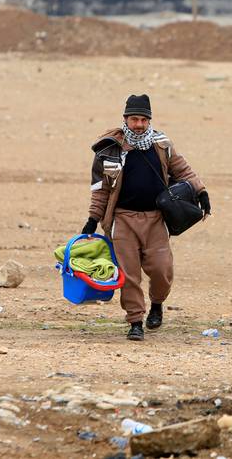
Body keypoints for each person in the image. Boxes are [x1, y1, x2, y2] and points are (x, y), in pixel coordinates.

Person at [82, 94, 210, 341]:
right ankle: (135, 322)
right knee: (129, 275)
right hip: (122, 220)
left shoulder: (162, 144)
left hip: (155, 219)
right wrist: (92, 219)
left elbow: (183, 170)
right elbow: (100, 189)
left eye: (143, 119)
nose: (139, 124)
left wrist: (201, 191)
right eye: (134, 119)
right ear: (125, 119)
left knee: (162, 270)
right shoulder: (108, 150)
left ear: (149, 120)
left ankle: (157, 303)